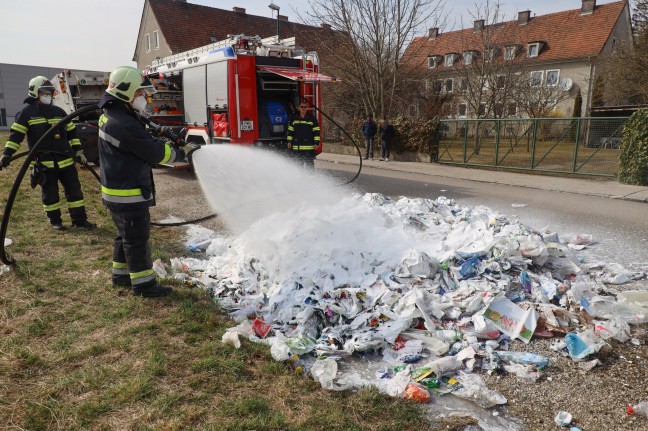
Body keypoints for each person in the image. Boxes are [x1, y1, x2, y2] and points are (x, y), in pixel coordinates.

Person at [98, 66, 199, 297]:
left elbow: (137, 139)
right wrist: (182, 153)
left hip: (116, 191)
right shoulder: (122, 123)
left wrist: (157, 132)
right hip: (128, 193)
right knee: (136, 240)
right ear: (126, 93)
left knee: (124, 236)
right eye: (141, 94)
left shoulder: (113, 114)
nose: (145, 98)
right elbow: (156, 154)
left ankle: (120, 277)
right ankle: (144, 286)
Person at [0, 76, 96, 231]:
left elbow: (72, 133)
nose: (48, 96)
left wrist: (78, 151)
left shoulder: (59, 111)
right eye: (44, 92)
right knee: (50, 195)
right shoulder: (26, 114)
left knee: (75, 192)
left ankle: (79, 220)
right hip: (44, 163)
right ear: (34, 93)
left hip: (66, 160)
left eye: (50, 93)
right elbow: (16, 137)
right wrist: (7, 154)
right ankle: (55, 221)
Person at [286, 100, 320, 168]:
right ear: (299, 108)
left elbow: (316, 131)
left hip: (309, 148)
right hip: (297, 148)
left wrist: (316, 143)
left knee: (309, 166)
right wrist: (289, 141)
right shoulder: (294, 118)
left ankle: (310, 178)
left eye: (305, 107)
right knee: (298, 167)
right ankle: (299, 178)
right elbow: (290, 131)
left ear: (307, 108)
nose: (303, 108)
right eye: (302, 107)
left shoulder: (312, 118)